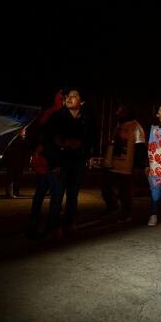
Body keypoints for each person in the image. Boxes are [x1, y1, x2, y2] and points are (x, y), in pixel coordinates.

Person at [42, 87, 98, 240]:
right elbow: (48, 141)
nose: (69, 98)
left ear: (82, 101)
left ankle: (69, 224)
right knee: (57, 196)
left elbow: (92, 138)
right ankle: (54, 228)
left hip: (77, 162)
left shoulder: (87, 118)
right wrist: (55, 162)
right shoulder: (56, 117)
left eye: (74, 96)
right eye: (67, 96)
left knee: (73, 195)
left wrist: (82, 146)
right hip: (59, 162)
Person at [27, 89, 64, 239]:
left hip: (44, 157)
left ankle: (34, 222)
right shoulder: (57, 114)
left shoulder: (48, 113)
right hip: (49, 159)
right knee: (55, 193)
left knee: (41, 191)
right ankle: (52, 227)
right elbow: (51, 138)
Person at [101, 104, 147, 222]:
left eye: (121, 110)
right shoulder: (119, 126)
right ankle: (112, 206)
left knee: (125, 192)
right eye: (118, 110)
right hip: (112, 164)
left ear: (128, 112)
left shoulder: (135, 126)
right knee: (105, 187)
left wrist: (138, 166)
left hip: (126, 166)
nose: (118, 112)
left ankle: (126, 213)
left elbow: (140, 147)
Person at [3, 127, 29, 198]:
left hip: (19, 161)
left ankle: (16, 191)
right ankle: (9, 193)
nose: (24, 132)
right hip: (12, 160)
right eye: (23, 131)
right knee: (11, 177)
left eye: (24, 131)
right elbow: (9, 150)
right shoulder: (14, 139)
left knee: (18, 176)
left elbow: (24, 150)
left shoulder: (23, 139)